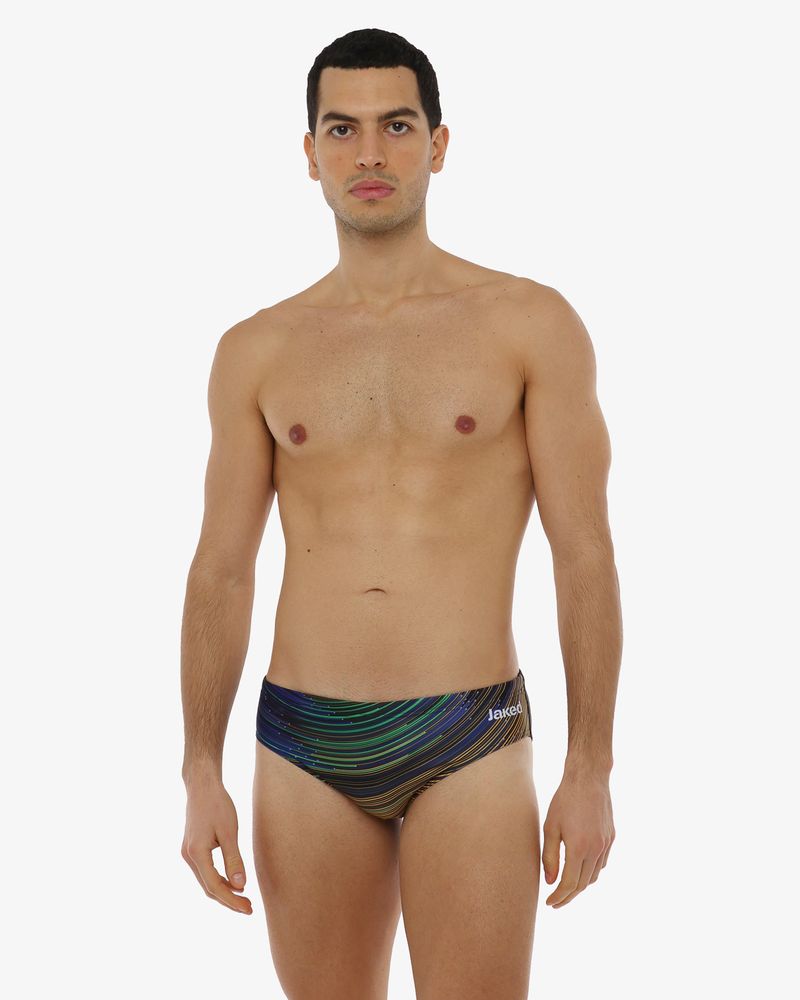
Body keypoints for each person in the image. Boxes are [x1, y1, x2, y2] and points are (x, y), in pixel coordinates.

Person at [180, 26, 621, 1000]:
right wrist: (198, 768)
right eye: (342, 129)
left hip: (469, 728)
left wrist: (590, 766)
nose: (369, 153)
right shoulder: (256, 350)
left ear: (438, 143)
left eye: (396, 125)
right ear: (310, 154)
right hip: (303, 739)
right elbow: (221, 567)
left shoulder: (528, 324)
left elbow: (584, 553)